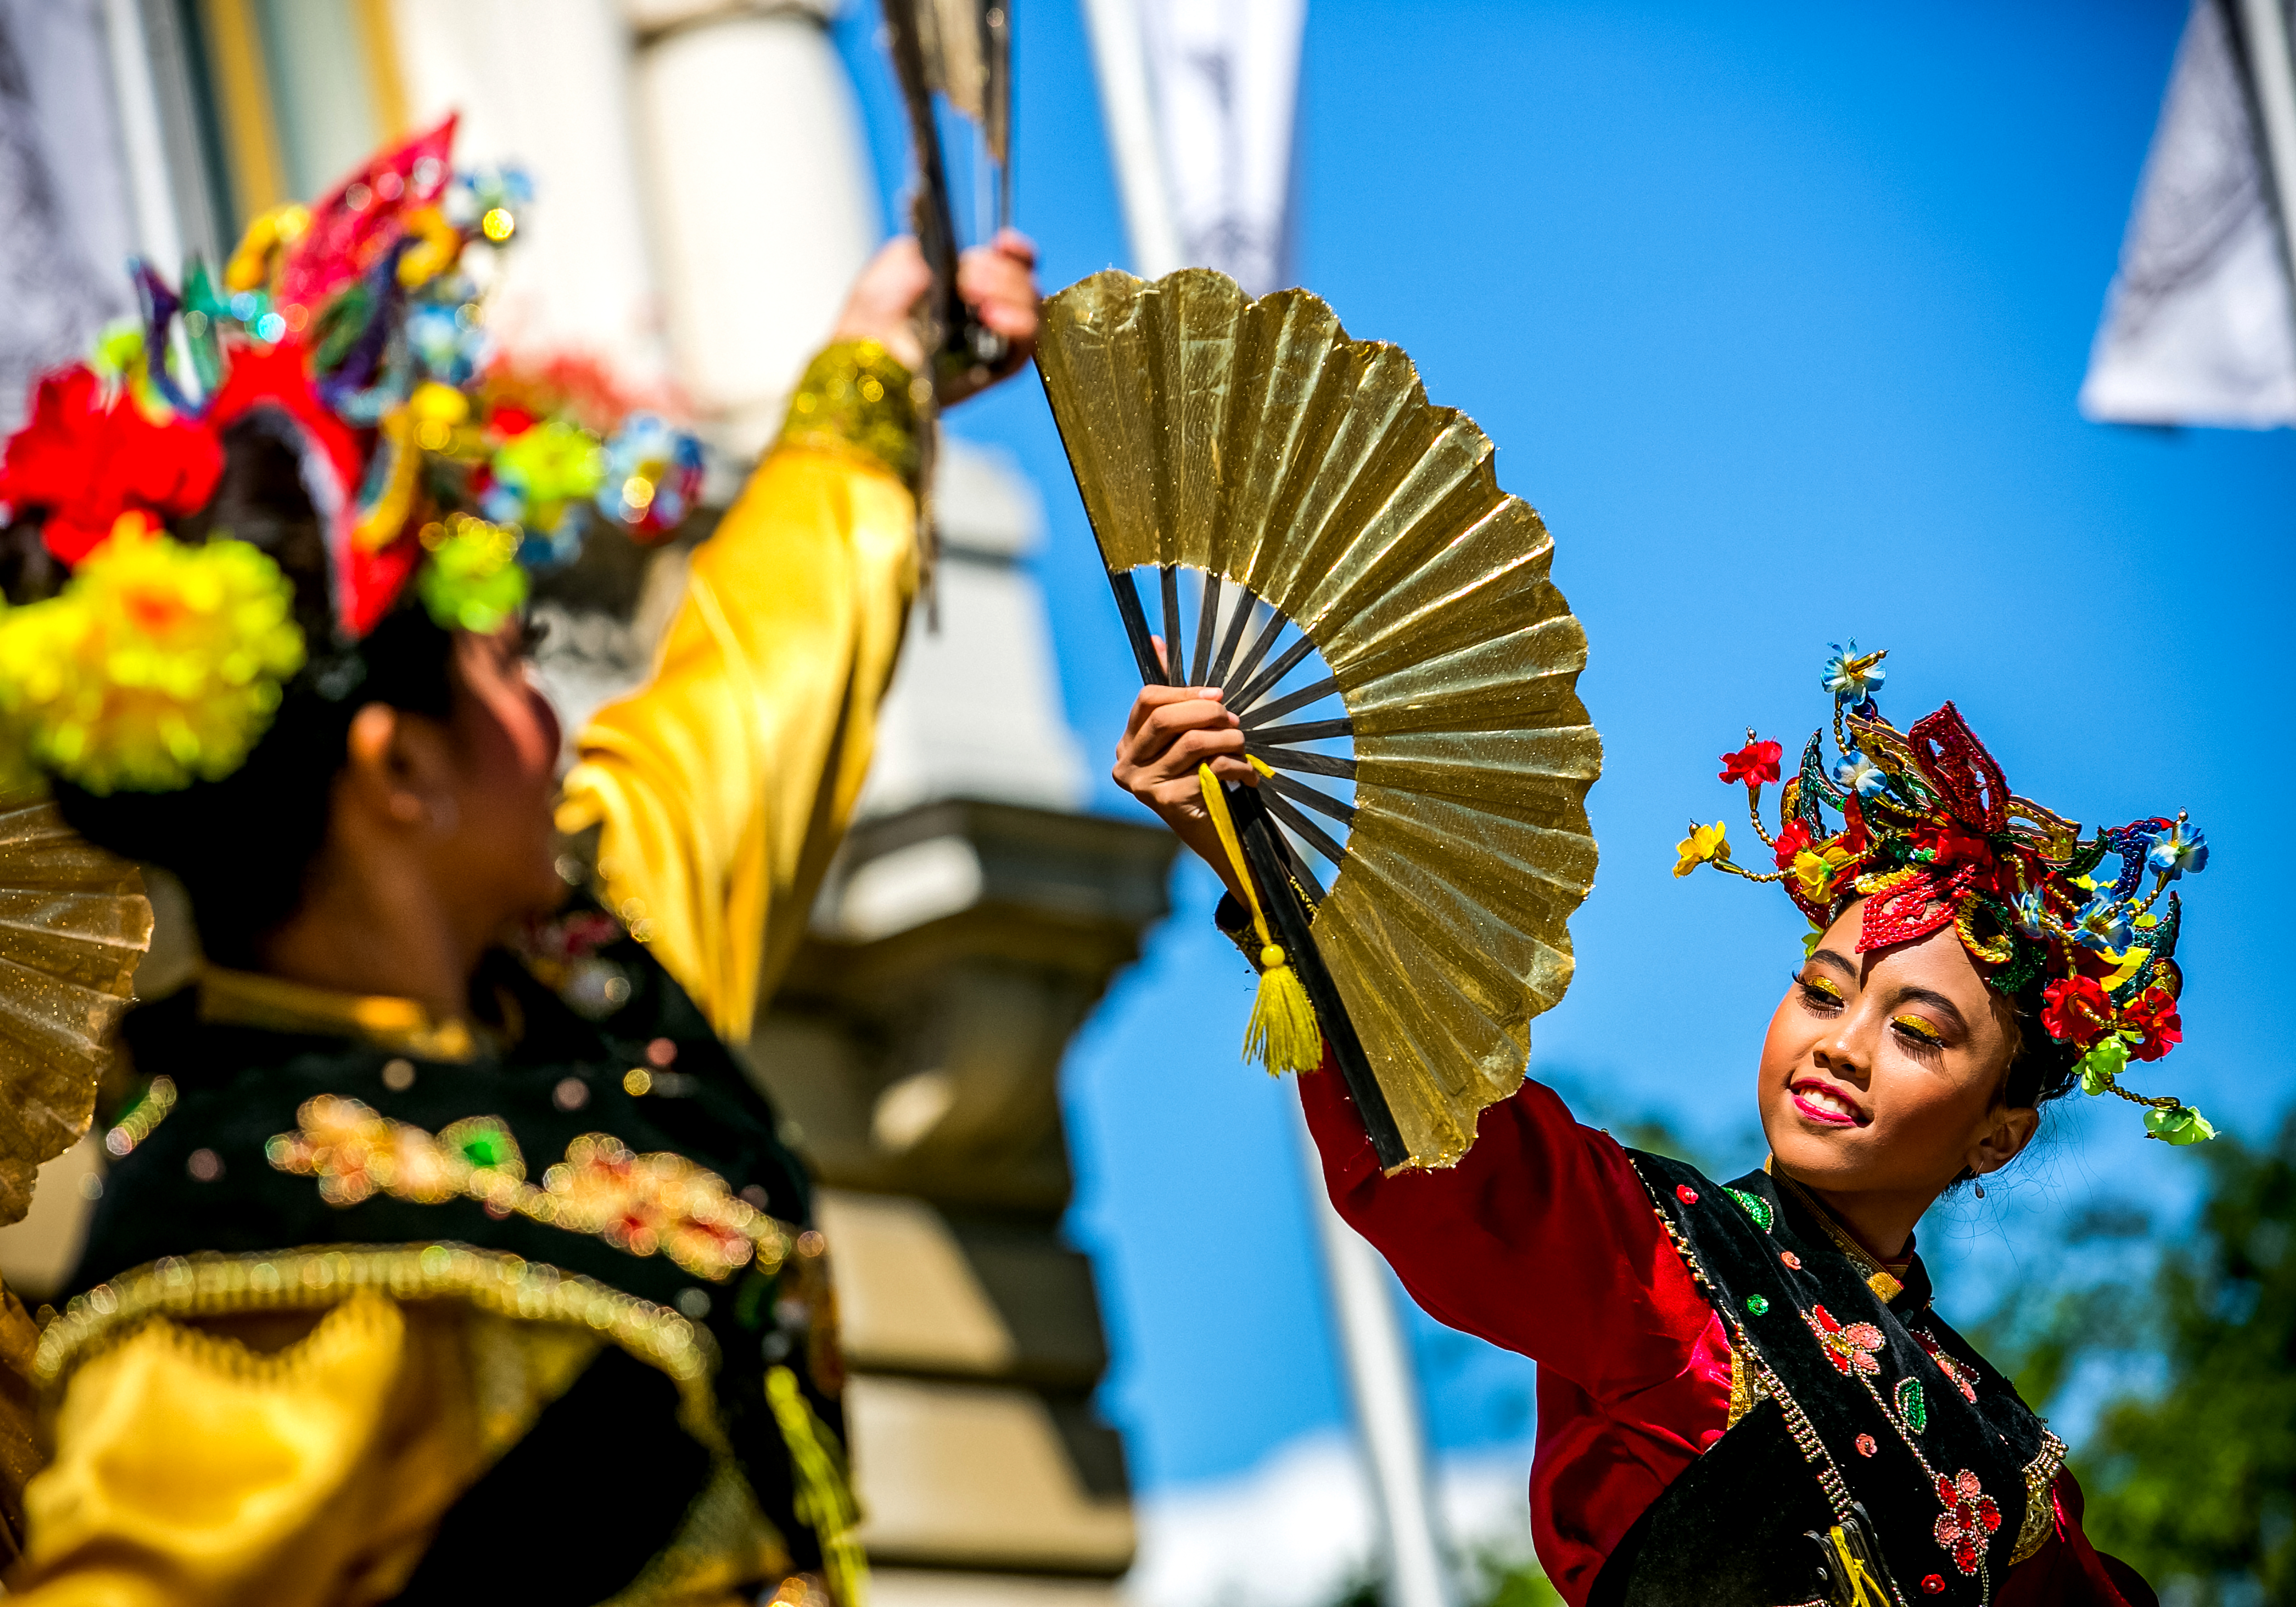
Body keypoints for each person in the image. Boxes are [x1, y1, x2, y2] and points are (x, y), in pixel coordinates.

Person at [0, 117, 1037, 1607]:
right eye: (506, 658)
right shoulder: (244, 1261)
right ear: (400, 772)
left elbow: (740, 716)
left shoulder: (582, 992)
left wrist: (873, 376)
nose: (550, 720)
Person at [1114, 645, 2209, 1607]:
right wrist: (1264, 860)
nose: (1840, 1043)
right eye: (1822, 992)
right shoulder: (1668, 1256)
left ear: (1998, 1134)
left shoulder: (2009, 1466)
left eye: (1916, 1031)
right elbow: (1470, 1165)